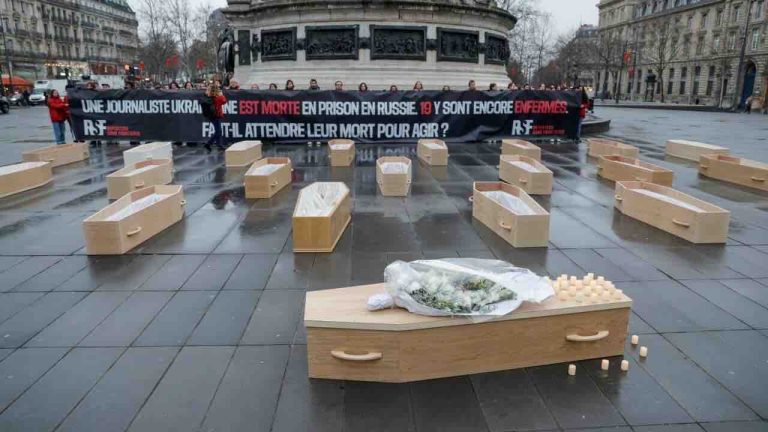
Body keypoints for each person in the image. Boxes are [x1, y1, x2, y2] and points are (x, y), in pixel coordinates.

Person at [203, 83, 228, 152]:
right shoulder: (218, 98)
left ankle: (219, 145)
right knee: (218, 131)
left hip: (211, 115)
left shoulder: (208, 97)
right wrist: (221, 93)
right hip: (216, 115)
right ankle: (208, 143)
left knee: (218, 131)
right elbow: (224, 101)